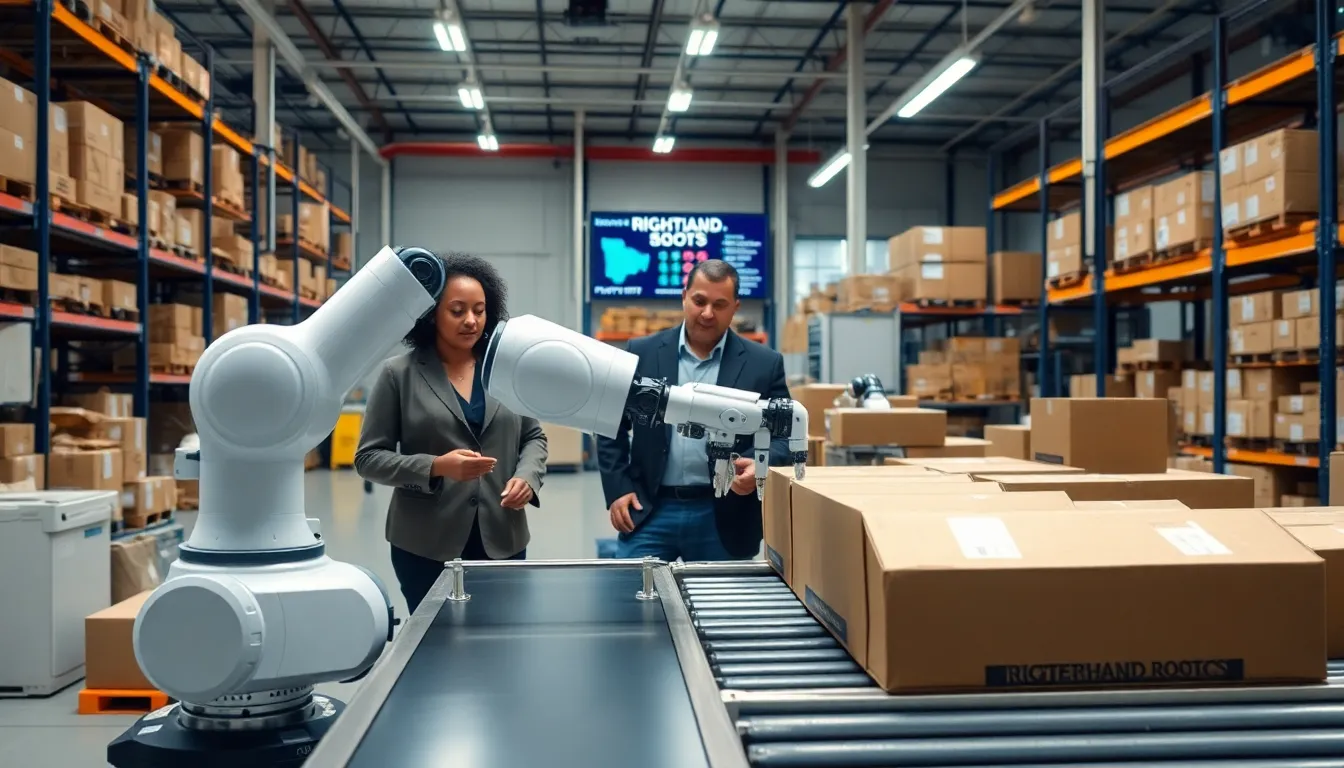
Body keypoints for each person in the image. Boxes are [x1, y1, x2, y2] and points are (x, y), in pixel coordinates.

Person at [355, 251, 548, 613]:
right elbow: (369, 459)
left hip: (502, 538)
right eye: (457, 310)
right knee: (434, 646)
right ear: (431, 314)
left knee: (501, 640)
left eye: (480, 309)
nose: (471, 321)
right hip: (426, 543)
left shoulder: (508, 369)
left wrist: (527, 478)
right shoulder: (399, 374)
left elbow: (533, 437)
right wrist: (436, 466)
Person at [597, 259, 791, 562]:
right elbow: (609, 423)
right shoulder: (642, 353)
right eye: (699, 301)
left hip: (724, 516)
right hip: (649, 510)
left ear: (735, 307)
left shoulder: (763, 365)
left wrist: (759, 463)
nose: (707, 313)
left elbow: (785, 436)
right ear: (684, 296)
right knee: (634, 600)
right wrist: (618, 488)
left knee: (721, 608)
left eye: (720, 304)